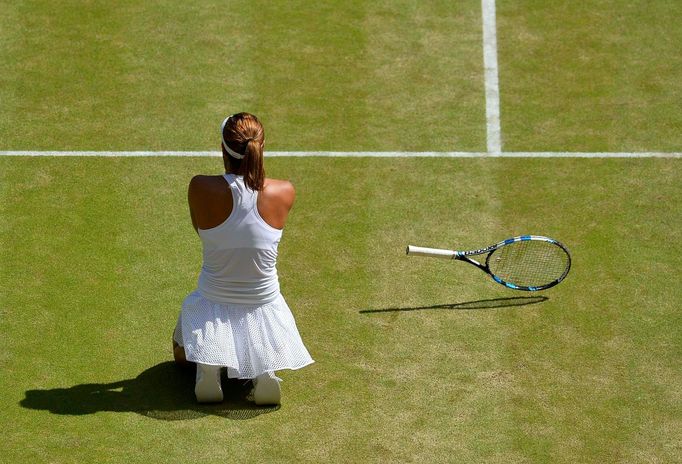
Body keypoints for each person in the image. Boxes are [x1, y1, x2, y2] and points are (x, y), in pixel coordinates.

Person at [172, 112, 314, 405]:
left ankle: (208, 368)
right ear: (262, 145)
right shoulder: (284, 191)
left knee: (179, 352)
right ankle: (264, 371)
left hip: (213, 299)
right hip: (264, 303)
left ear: (223, 149)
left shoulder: (200, 187)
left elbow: (201, 230)